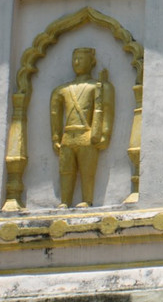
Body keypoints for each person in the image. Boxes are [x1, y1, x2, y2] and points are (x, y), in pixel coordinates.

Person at [50, 47, 114, 207]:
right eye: (75, 59)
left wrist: (104, 134)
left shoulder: (97, 87)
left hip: (86, 134)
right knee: (66, 171)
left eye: (81, 59)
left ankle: (87, 200)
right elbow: (55, 114)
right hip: (68, 135)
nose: (77, 62)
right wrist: (56, 136)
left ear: (92, 62)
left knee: (87, 171)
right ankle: (65, 201)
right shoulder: (62, 90)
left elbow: (106, 110)